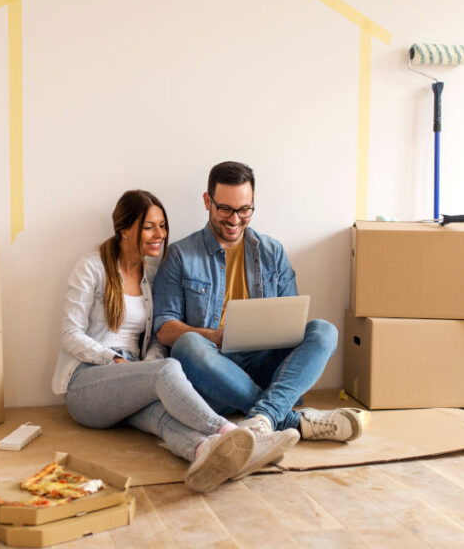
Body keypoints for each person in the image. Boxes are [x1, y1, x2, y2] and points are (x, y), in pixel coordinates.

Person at [52, 189, 299, 493]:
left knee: (161, 414)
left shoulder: (151, 275)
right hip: (87, 382)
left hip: (131, 375)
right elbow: (70, 335)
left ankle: (204, 453)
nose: (160, 234)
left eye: (162, 226)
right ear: (124, 229)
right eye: (149, 226)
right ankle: (232, 432)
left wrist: (147, 364)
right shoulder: (91, 268)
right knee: (168, 369)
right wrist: (115, 360)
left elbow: (156, 335)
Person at [153, 162, 368, 443]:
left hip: (267, 364)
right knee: (187, 344)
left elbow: (292, 319)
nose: (234, 219)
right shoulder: (180, 255)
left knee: (324, 330)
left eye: (244, 210)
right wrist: (214, 336)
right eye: (225, 209)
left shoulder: (272, 251)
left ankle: (263, 415)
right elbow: (164, 329)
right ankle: (287, 416)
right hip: (214, 371)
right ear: (208, 201)